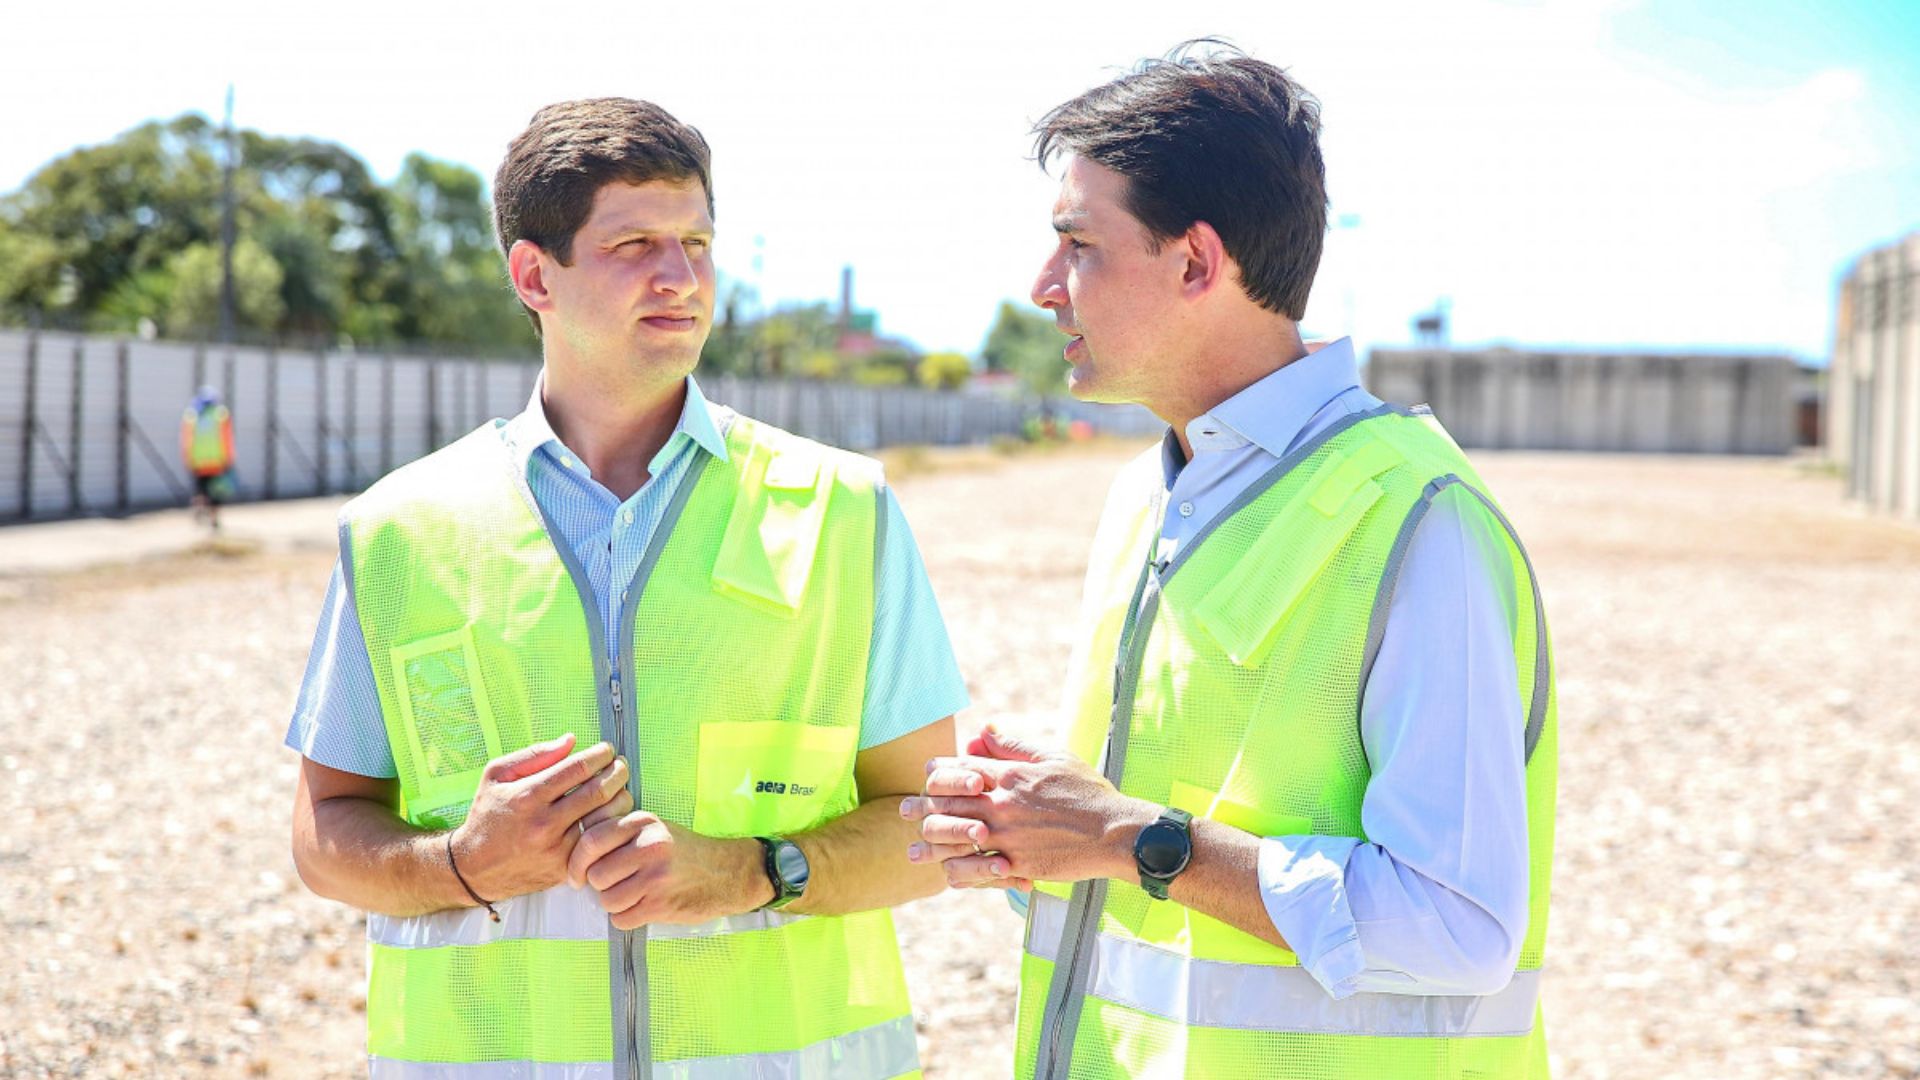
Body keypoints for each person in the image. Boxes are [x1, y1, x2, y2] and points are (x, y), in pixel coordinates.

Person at [904, 45, 1558, 1078]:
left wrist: (1130, 839)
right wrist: (1039, 828)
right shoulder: (1145, 491)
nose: (1043, 287)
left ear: (1197, 263)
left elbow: (1459, 926)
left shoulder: (1418, 517)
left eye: (1077, 244)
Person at [285, 97, 968, 1078]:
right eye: (635, 243)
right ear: (535, 275)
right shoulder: (401, 528)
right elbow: (324, 835)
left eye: (696, 242)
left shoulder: (842, 509)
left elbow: (929, 831)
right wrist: (467, 863)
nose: (680, 277)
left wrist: (747, 871)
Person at [180, 386, 234, 529]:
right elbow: (227, 438)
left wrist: (187, 457)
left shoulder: (192, 415)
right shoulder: (221, 415)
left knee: (200, 490)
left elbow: (187, 439)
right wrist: (229, 457)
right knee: (216, 492)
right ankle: (214, 518)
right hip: (216, 462)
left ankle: (199, 509)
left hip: (198, 462)